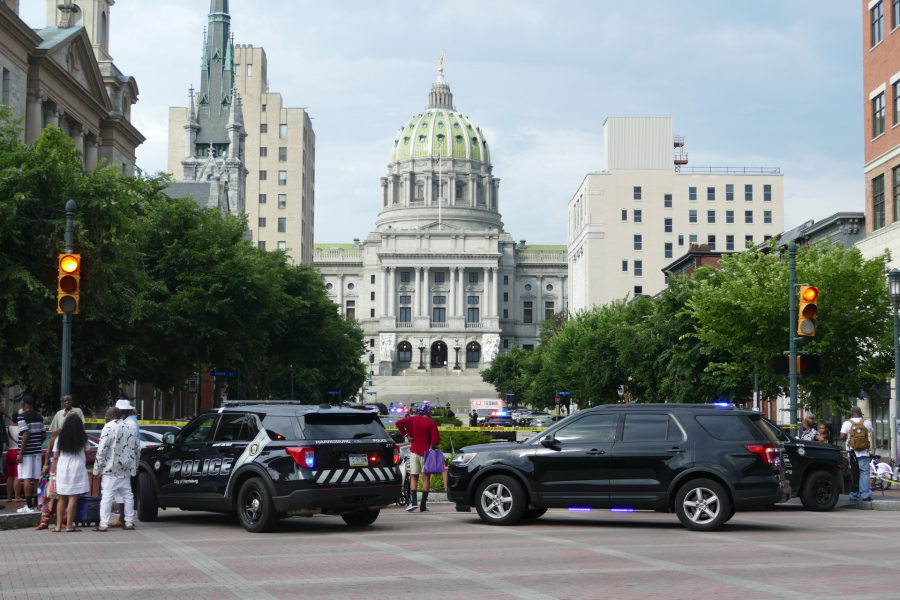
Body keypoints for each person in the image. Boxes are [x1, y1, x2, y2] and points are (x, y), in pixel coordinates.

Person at [93, 406, 139, 532]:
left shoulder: (108, 427)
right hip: (126, 469)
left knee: (107, 496)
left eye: (106, 416)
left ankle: (103, 524)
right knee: (128, 495)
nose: (105, 418)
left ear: (112, 416)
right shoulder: (131, 427)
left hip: (110, 469)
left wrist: (97, 469)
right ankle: (129, 522)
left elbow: (102, 450)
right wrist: (136, 465)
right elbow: (137, 449)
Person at [396, 405, 440, 513]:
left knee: (414, 476)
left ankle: (413, 502)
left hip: (414, 450)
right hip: (426, 453)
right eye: (431, 411)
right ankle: (423, 506)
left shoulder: (412, 419)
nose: (432, 413)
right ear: (427, 412)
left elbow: (398, 423)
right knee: (426, 478)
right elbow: (435, 441)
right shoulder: (431, 423)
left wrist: (407, 435)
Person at [51, 415, 91, 532]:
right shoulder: (83, 437)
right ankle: (69, 525)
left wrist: (52, 474)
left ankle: (58, 526)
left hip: (63, 466)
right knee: (73, 496)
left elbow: (55, 457)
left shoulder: (60, 438)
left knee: (61, 497)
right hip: (77, 466)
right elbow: (87, 451)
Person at [840, 406, 874, 503]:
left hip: (852, 452)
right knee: (865, 473)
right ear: (860, 413)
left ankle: (854, 495)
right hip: (864, 452)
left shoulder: (847, 423)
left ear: (851, 414)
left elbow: (842, 436)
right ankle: (865, 495)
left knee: (854, 474)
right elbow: (871, 430)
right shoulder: (866, 422)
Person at [16, 396, 44, 513]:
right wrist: (37, 444)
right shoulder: (39, 416)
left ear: (23, 404)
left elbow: (25, 434)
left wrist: (21, 453)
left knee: (26, 477)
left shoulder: (22, 417)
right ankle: (37, 505)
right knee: (36, 478)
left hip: (26, 452)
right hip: (37, 451)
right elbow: (43, 435)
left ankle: (28, 506)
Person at [4, 409, 21, 504]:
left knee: (10, 476)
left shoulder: (8, 428)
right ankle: (17, 497)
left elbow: (6, 441)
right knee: (17, 476)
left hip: (9, 451)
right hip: (17, 452)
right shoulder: (21, 428)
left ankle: (9, 497)